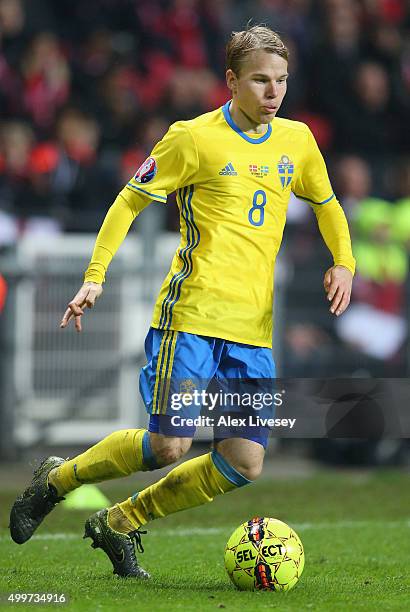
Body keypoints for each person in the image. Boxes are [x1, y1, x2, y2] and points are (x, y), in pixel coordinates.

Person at [9, 26, 355, 579]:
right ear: (231, 81)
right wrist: (94, 276)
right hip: (190, 317)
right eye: (261, 81)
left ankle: (119, 521)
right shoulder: (192, 138)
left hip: (252, 331)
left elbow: (328, 202)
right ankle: (56, 480)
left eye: (282, 82)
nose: (274, 93)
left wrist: (344, 261)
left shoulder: (298, 141)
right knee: (170, 444)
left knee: (244, 462)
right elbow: (129, 200)